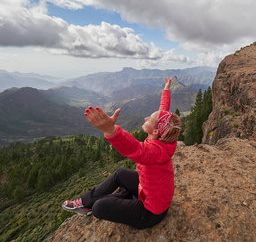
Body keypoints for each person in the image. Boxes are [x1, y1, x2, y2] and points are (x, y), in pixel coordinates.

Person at [62, 77, 181, 229]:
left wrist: (111, 131)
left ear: (156, 131)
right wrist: (166, 89)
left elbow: (135, 149)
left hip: (151, 211)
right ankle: (85, 203)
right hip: (148, 190)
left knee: (99, 207)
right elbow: (163, 108)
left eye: (149, 119)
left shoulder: (156, 152)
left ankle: (119, 197)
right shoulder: (162, 135)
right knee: (120, 173)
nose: (146, 118)